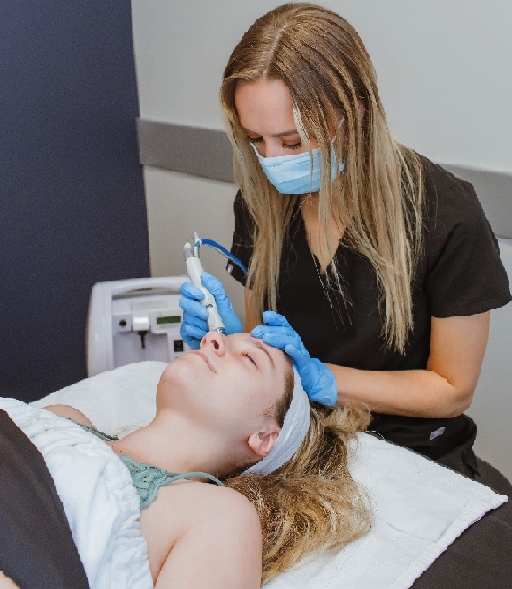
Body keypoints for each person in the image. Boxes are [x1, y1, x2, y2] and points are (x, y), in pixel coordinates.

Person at [179, 3, 511, 485]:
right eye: (256, 139)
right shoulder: (261, 205)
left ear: (353, 112)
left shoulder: (444, 212)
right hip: (292, 435)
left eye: (292, 142)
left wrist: (324, 380)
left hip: (409, 451)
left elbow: (452, 390)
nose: (271, 162)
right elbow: (262, 352)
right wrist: (230, 343)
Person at [0, 332, 371, 588]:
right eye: (221, 337)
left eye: (249, 358)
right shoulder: (63, 419)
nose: (212, 338)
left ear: (263, 438)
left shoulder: (219, 516)